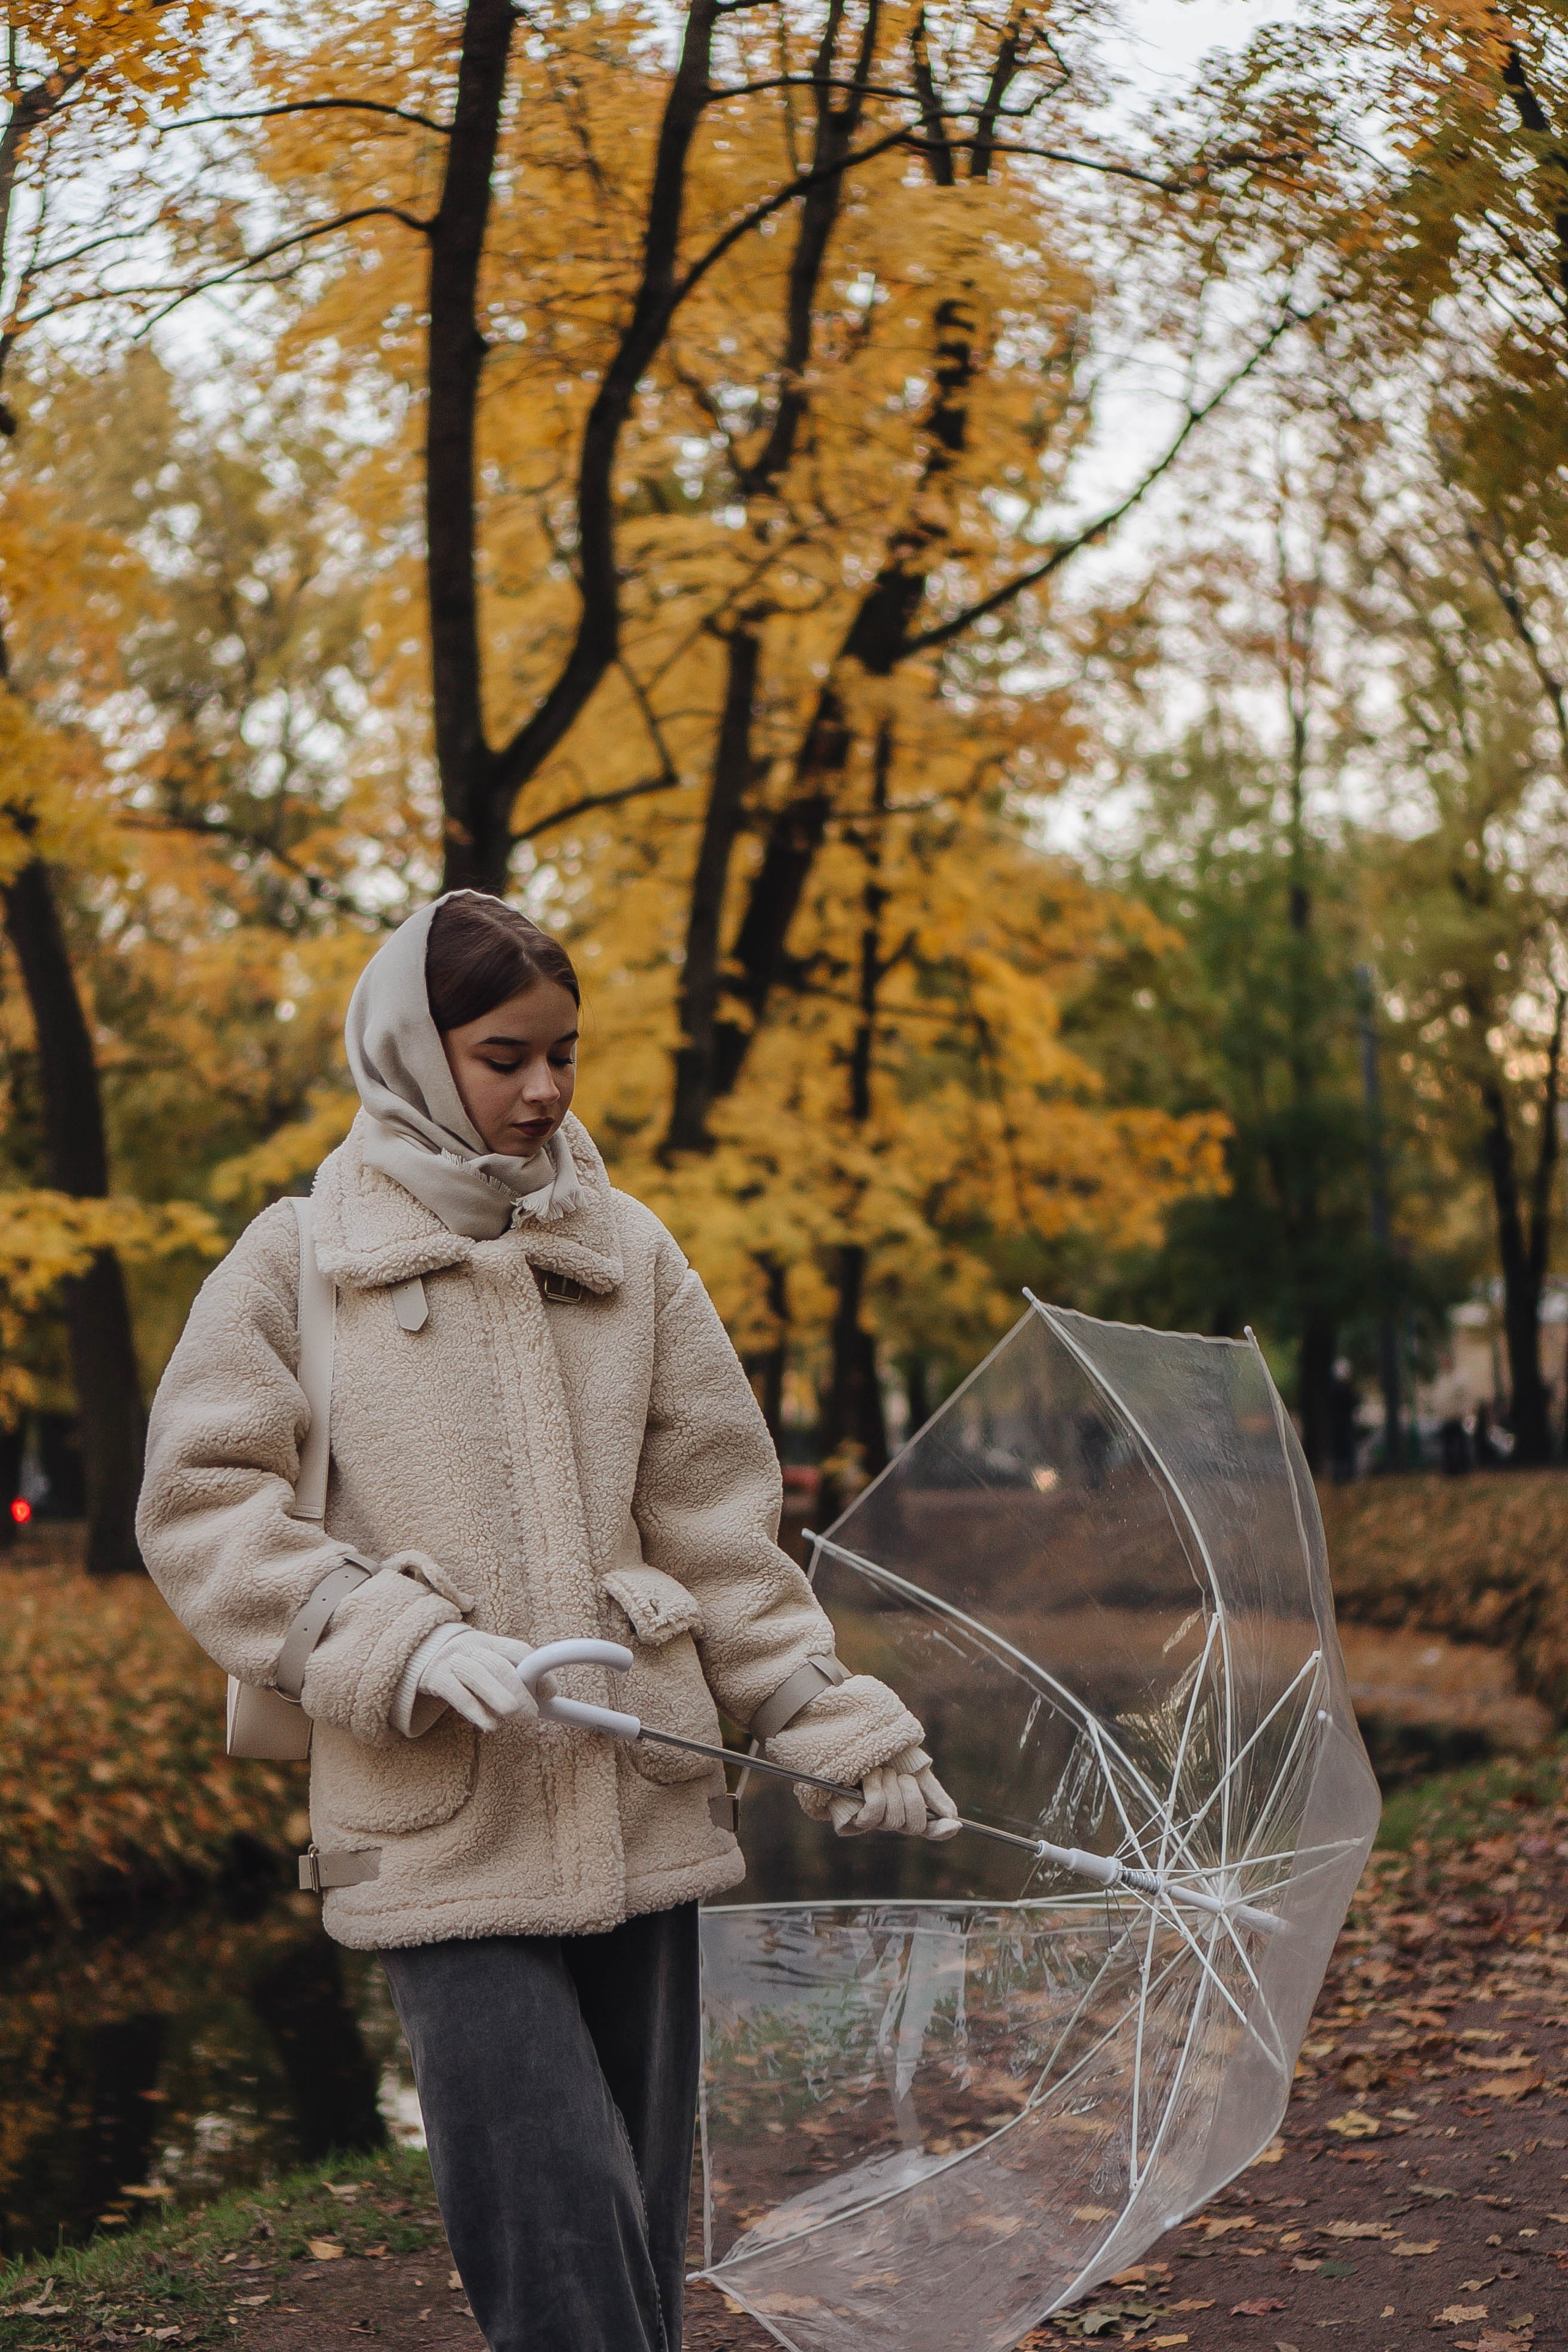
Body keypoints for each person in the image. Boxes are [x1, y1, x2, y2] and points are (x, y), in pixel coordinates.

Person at [136, 891, 958, 2352]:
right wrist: (384, 1638)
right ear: (410, 1047)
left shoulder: (628, 1250)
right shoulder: (297, 1256)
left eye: (564, 1054)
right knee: (552, 2221)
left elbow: (715, 1522)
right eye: (505, 1054)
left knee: (633, 2221)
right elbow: (201, 1503)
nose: (545, 1090)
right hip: (437, 1811)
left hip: (642, 1784)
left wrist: (823, 1718)